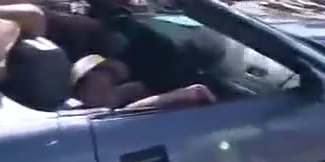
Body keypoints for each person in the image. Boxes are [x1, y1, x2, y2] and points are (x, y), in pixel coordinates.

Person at [70, 54, 216, 110]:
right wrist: (184, 94)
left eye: (111, 76)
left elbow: (129, 92)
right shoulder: (82, 114)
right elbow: (122, 114)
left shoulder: (119, 95)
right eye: (102, 72)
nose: (107, 78)